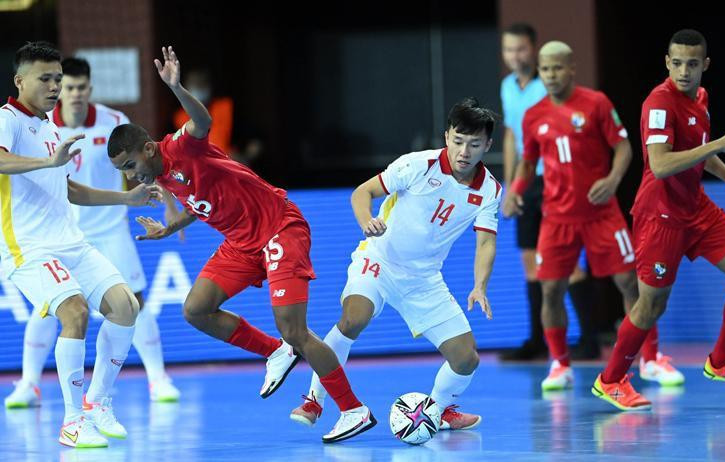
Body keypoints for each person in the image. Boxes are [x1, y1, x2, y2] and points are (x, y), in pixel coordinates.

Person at [108, 46, 375, 443]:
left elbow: (203, 120)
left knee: (295, 331)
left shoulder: (180, 146)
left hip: (279, 228)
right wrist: (170, 226)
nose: (131, 177)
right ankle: (274, 353)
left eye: (130, 166)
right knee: (196, 309)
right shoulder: (160, 178)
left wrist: (176, 88)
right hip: (241, 242)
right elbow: (202, 204)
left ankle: (353, 409)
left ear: (147, 149)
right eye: (123, 172)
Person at [289, 98, 499, 431]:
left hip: (424, 279)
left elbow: (486, 241)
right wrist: (366, 220)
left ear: (487, 145)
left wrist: (479, 285)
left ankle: (438, 410)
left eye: (474, 144)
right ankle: (315, 399)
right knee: (353, 318)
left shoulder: (489, 191)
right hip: (378, 260)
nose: (464, 151)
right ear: (447, 136)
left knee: (466, 358)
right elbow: (362, 192)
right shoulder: (418, 164)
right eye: (458, 141)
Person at [591, 30, 725, 411]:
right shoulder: (659, 103)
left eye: (692, 64)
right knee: (651, 305)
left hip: (697, 207)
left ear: (705, 65)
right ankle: (610, 381)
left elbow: (698, 153)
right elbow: (659, 164)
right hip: (660, 216)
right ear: (667, 62)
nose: (684, 71)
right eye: (677, 63)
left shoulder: (701, 99)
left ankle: (721, 362)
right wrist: (720, 143)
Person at [0, 41, 160, 447]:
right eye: (45, 79)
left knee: (127, 306)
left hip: (71, 241)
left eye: (58, 79)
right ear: (20, 81)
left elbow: (66, 189)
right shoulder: (9, 120)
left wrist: (127, 197)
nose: (54, 87)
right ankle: (72, 423)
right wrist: (47, 162)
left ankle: (97, 403)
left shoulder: (50, 126)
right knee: (74, 312)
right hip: (28, 248)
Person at [504, 41, 681, 390]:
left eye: (557, 68)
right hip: (556, 218)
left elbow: (624, 147)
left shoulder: (596, 103)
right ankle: (560, 364)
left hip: (602, 214)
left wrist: (613, 180)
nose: (551, 75)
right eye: (545, 69)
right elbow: (527, 162)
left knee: (631, 283)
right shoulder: (533, 115)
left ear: (571, 68)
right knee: (550, 290)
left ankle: (651, 360)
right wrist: (515, 191)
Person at [499, 23, 598, 361]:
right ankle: (537, 340)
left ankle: (589, 338)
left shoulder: (550, 87)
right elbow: (513, 136)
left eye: (521, 49)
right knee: (531, 261)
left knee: (566, 263)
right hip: (527, 181)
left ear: (534, 49)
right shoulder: (508, 88)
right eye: (509, 50)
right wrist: (512, 185)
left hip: (556, 181)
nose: (515, 56)